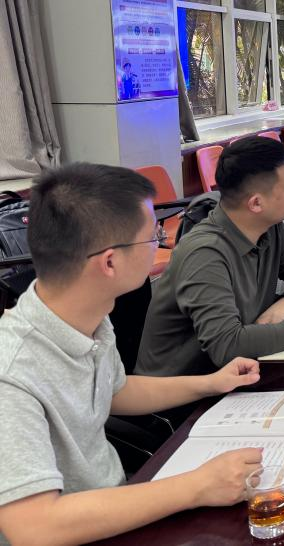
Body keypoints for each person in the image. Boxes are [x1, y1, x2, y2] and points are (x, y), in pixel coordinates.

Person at [0, 164, 263, 544]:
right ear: (109, 262)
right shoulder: (11, 372)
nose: (161, 241)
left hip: (117, 503)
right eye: (152, 236)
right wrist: (198, 485)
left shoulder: (87, 313)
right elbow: (34, 527)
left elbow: (115, 391)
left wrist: (211, 383)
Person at [137, 137, 284, 377]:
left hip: (241, 371)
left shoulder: (269, 227)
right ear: (256, 203)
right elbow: (226, 345)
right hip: (189, 387)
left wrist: (281, 309)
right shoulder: (204, 253)